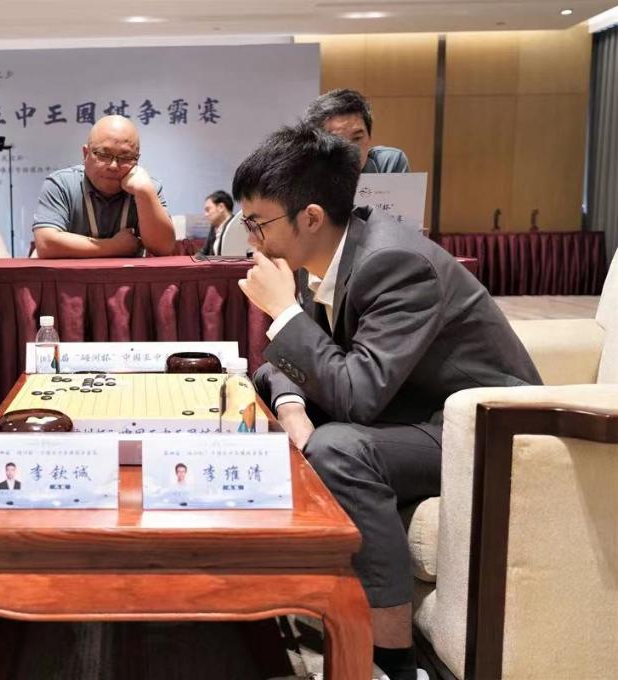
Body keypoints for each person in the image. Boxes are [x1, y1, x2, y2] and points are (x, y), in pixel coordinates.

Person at [234, 124, 540, 680]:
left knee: (338, 448)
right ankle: (292, 597)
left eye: (258, 222)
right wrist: (293, 407)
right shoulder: (326, 254)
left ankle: (391, 662)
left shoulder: (394, 263)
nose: (251, 239)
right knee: (265, 396)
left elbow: (357, 395)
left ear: (310, 217)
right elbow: (290, 364)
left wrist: (283, 314)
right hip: (412, 409)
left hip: (483, 428)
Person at [32, 115, 174, 258]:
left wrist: (144, 193)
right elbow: (46, 244)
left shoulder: (147, 187)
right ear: (86, 154)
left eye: (125, 157)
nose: (113, 166)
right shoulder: (61, 184)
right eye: (104, 154)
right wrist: (115, 247)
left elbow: (164, 248)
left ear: (137, 159)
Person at [304, 89, 410, 174]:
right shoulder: (305, 173)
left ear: (369, 137)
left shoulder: (388, 163)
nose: (351, 151)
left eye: (357, 138)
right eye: (338, 142)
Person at [199, 190, 236, 256]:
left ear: (221, 207)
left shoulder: (236, 226)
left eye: (208, 210)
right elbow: (204, 252)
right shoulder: (214, 226)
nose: (205, 214)